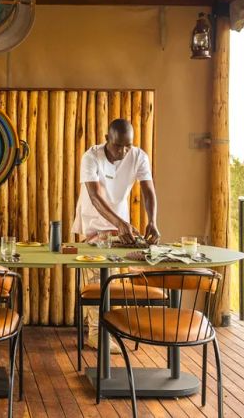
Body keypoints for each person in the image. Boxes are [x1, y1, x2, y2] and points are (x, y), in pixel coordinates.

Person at [72, 118, 160, 349]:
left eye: (127, 146)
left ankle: (109, 329)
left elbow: (148, 190)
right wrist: (120, 223)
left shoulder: (139, 156)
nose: (123, 151)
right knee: (95, 279)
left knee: (113, 280)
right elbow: (94, 196)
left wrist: (152, 220)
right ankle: (95, 334)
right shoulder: (91, 157)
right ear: (106, 139)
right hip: (93, 221)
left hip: (120, 225)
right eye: (118, 145)